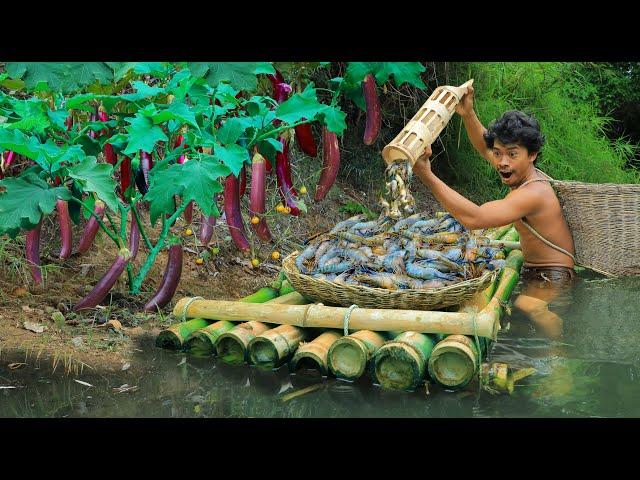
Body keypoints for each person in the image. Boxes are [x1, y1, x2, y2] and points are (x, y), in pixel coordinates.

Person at [412, 84, 576, 339]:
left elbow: (475, 219)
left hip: (555, 276)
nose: (502, 162)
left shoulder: (533, 193)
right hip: (535, 271)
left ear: (532, 155)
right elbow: (485, 145)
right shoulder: (522, 174)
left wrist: (426, 175)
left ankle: (559, 353)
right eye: (498, 154)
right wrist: (468, 114)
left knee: (527, 306)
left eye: (512, 154)